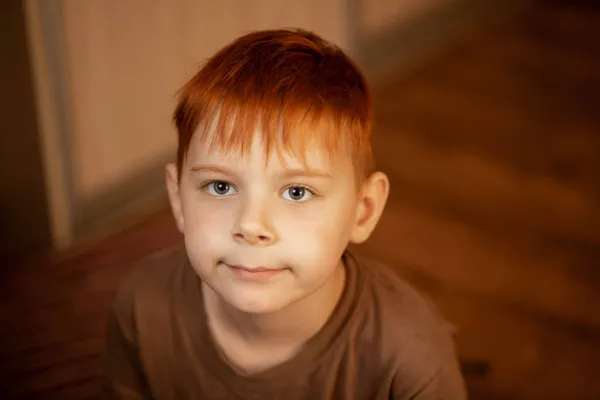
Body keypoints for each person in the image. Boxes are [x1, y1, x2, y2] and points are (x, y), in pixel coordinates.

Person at [102, 28, 467, 399]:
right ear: (178, 199)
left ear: (364, 210)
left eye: (297, 192)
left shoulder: (410, 355)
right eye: (221, 186)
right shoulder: (141, 305)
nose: (251, 225)